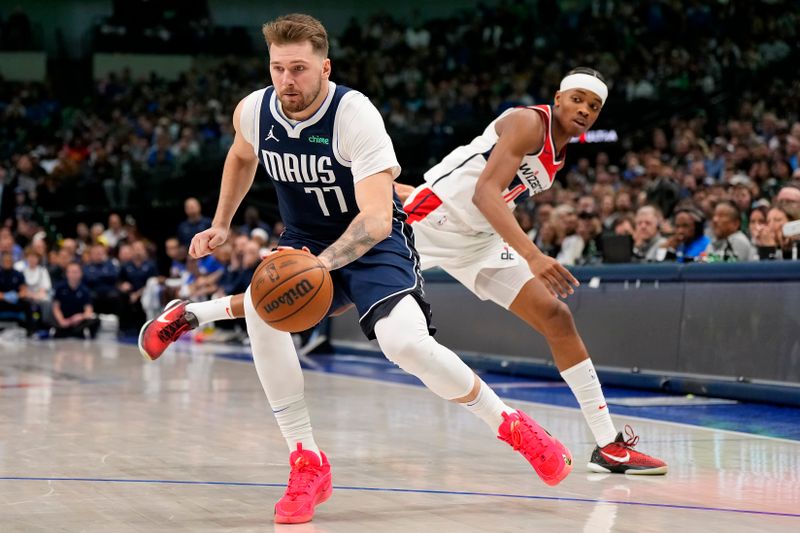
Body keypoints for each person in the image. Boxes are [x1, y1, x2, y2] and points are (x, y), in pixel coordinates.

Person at [141, 57, 665, 493]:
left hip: (479, 240)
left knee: (556, 316)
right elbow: (483, 192)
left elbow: (487, 200)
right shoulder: (530, 123)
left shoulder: (561, 150)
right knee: (316, 296)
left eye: (594, 108)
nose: (585, 112)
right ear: (558, 97)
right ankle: (193, 312)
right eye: (578, 100)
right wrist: (533, 254)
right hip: (429, 223)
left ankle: (608, 444)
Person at [51, 262, 100, 338]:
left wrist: (81, 317)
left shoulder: (85, 290)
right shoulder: (60, 288)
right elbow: (56, 308)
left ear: (81, 274)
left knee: (96, 320)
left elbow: (88, 310)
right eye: (70, 272)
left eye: (76, 272)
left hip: (78, 321)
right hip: (63, 319)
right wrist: (62, 321)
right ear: (67, 273)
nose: (73, 275)